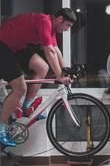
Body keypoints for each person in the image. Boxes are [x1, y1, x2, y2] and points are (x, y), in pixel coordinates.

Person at [0, 8, 76, 146]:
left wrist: (65, 71)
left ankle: (26, 108)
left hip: (17, 47)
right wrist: (59, 76)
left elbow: (56, 51)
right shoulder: (44, 22)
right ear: (60, 19)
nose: (67, 29)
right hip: (3, 45)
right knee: (20, 88)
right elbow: (49, 51)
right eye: (68, 25)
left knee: (43, 67)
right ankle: (0, 129)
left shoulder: (52, 28)